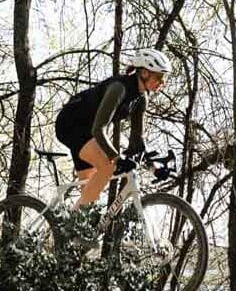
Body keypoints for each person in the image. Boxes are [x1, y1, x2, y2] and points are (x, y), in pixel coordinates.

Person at [53, 48, 171, 208]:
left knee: (89, 202)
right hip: (70, 125)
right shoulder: (119, 88)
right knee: (108, 166)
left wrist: (154, 168)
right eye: (159, 77)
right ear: (144, 73)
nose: (162, 83)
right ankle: (74, 225)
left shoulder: (141, 99)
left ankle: (64, 232)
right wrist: (116, 157)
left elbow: (137, 143)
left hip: (89, 133)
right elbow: (98, 130)